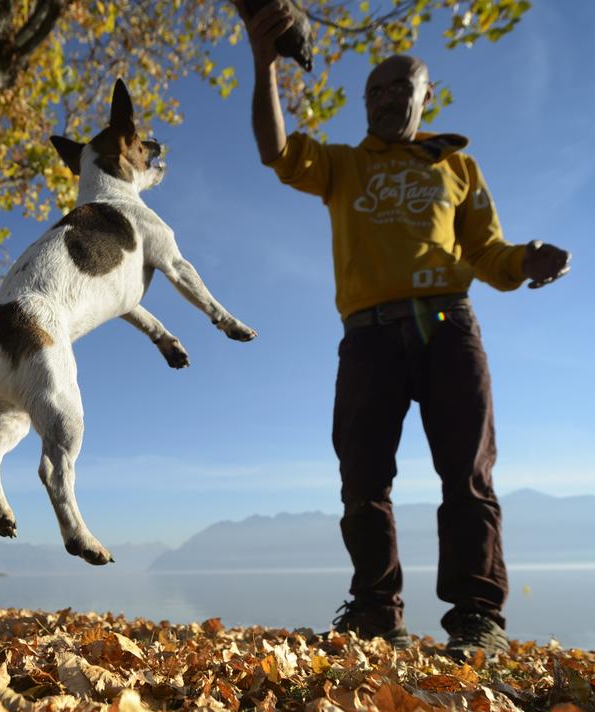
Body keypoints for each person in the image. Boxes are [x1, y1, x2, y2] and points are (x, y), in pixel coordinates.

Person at [233, 0, 572, 658]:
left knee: (467, 475)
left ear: (425, 95)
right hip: (369, 335)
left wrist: (525, 262)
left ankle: (477, 618)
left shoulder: (458, 170)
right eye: (375, 91)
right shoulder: (342, 165)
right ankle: (374, 611)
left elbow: (487, 252)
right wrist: (263, 63)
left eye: (400, 88)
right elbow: (275, 150)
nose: (386, 99)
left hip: (449, 326)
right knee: (363, 478)